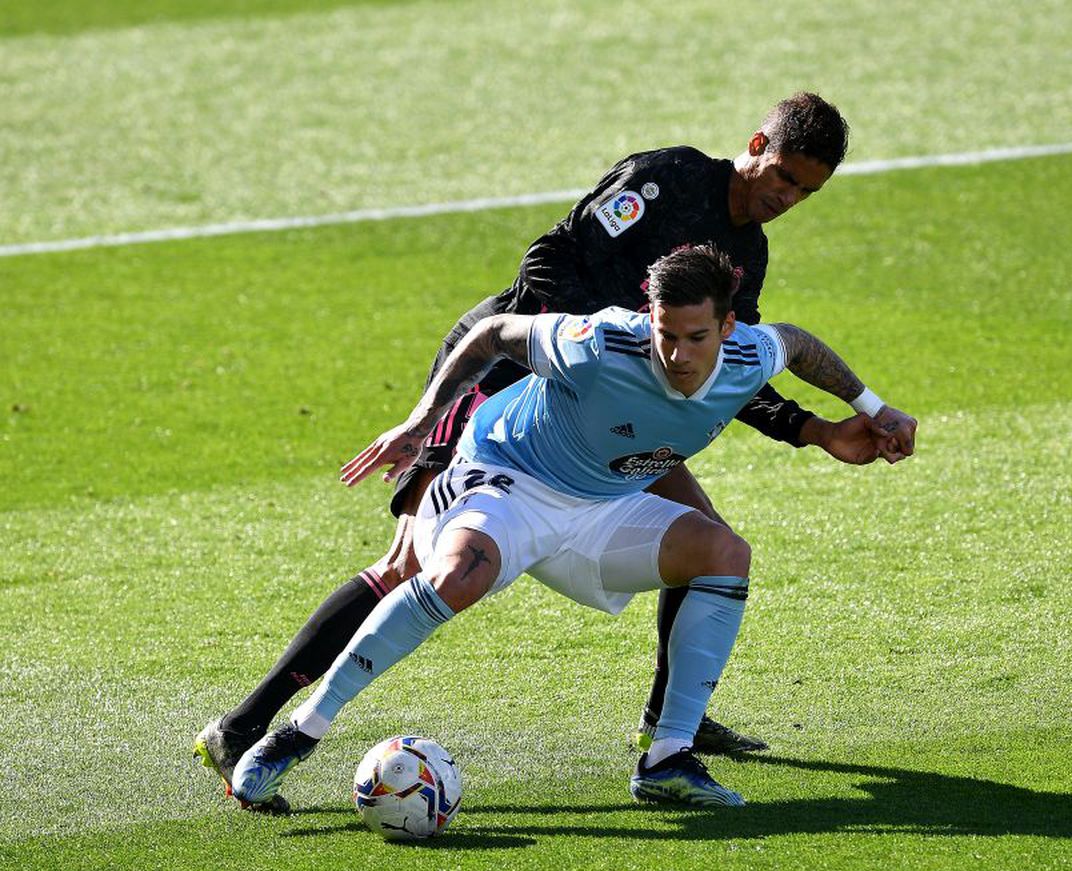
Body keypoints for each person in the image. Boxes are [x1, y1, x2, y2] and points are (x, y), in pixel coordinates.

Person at [195, 91, 920, 810]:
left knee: (713, 540)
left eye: (808, 191)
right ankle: (247, 726)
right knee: (410, 564)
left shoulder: (746, 257)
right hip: (513, 375)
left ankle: (671, 732)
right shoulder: (666, 180)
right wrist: (605, 350)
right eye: (786, 177)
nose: (788, 197)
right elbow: (550, 256)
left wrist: (814, 428)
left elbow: (727, 366)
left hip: (626, 399)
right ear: (758, 146)